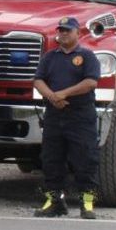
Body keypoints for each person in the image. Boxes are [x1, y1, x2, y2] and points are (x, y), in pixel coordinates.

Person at [32, 17, 101, 219]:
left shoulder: (87, 56)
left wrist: (64, 94)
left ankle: (87, 203)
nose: (63, 33)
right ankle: (55, 202)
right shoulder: (50, 57)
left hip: (80, 115)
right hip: (54, 114)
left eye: (68, 30)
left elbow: (91, 82)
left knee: (85, 159)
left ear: (77, 33)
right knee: (51, 160)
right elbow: (38, 80)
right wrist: (52, 97)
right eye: (61, 30)